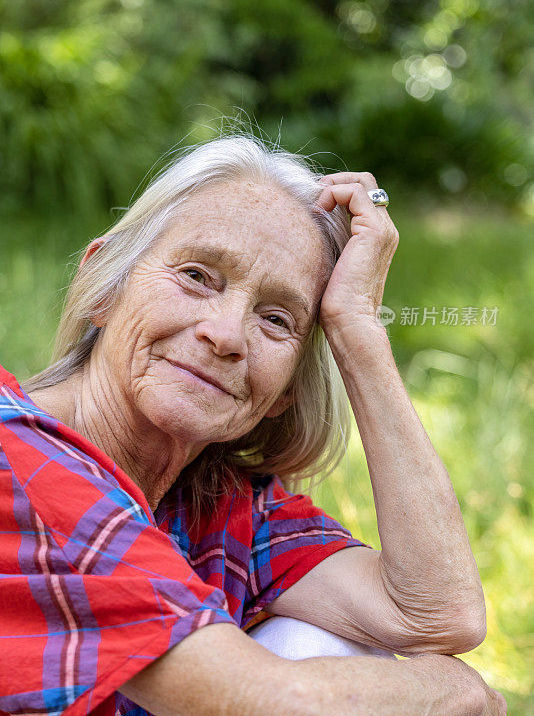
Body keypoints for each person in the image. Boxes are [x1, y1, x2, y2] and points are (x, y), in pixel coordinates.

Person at [0, 135, 506, 716]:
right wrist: (462, 695)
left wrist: (357, 326)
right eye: (196, 275)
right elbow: (267, 701)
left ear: (285, 392)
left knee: (328, 646)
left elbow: (436, 616)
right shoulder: (18, 458)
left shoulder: (218, 507)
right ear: (103, 287)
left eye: (276, 319)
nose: (227, 334)